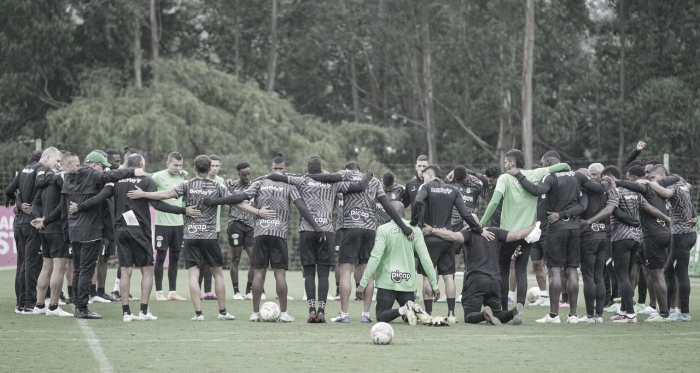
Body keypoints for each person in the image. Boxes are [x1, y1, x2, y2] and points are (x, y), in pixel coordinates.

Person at [71, 154, 200, 321]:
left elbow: (99, 198)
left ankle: (126, 313)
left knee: (125, 271)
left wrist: (79, 207)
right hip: (140, 231)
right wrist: (183, 211)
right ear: (140, 165)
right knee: (147, 271)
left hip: (121, 231)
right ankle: (144, 311)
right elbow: (158, 204)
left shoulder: (116, 181)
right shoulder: (147, 181)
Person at [203, 152, 321, 323]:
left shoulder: (260, 182)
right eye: (276, 169)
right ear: (275, 169)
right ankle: (284, 314)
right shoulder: (289, 186)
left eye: (280, 168)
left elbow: (240, 197)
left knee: (259, 273)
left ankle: (255, 313)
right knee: (279, 274)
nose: (278, 171)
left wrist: (215, 202)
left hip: (260, 233)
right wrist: (317, 227)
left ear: (282, 168)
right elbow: (302, 207)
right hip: (278, 234)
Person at [128, 155, 236, 321]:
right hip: (209, 235)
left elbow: (166, 194)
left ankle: (198, 314)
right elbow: (234, 200)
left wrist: (144, 194)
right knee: (218, 275)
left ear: (194, 168)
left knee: (193, 275)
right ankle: (222, 312)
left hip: (191, 235)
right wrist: (255, 210)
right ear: (209, 169)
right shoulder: (217, 185)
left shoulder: (188, 184)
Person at [266, 156, 370, 322]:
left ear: (308, 170)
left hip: (306, 231)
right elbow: (359, 187)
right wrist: (368, 175)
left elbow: (276, 176)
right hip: (327, 231)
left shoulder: (302, 180)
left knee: (308, 273)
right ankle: (321, 311)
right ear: (322, 170)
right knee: (323, 274)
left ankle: (311, 310)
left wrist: (266, 177)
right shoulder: (333, 183)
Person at [308, 162, 414, 323]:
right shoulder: (374, 181)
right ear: (359, 169)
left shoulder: (345, 177)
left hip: (350, 227)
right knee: (368, 272)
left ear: (347, 170)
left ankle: (344, 314)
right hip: (370, 230)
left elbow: (328, 183)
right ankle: (366, 314)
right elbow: (388, 207)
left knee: (345, 270)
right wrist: (404, 227)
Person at [512, 150, 610, 323]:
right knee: (572, 270)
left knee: (555, 270)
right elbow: (599, 189)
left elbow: (535, 190)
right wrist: (608, 179)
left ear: (550, 162)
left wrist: (519, 175)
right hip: (574, 229)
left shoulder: (550, 178)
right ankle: (573, 315)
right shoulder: (578, 176)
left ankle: (554, 315)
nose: (543, 167)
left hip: (556, 229)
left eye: (543, 164)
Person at [479, 149, 571, 310]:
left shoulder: (505, 178)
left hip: (507, 234)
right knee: (521, 270)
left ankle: (503, 308)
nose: (505, 164)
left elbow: (494, 202)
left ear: (512, 163)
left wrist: (482, 222)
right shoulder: (535, 174)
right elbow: (565, 166)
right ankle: (520, 306)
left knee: (504, 269)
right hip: (527, 233)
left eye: (506, 161)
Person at [581, 165, 671, 324]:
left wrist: (589, 221)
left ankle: (630, 314)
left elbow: (609, 210)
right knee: (627, 276)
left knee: (621, 276)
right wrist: (667, 219)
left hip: (621, 238)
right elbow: (651, 209)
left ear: (609, 177)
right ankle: (624, 310)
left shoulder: (615, 192)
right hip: (637, 238)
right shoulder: (636, 193)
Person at [62, 151, 144, 319]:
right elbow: (114, 175)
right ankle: (82, 307)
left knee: (78, 269)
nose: (103, 171)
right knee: (86, 269)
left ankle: (78, 303)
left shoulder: (70, 176)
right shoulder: (92, 174)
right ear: (95, 165)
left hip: (74, 228)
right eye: (102, 167)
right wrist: (134, 171)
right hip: (90, 228)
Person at [410, 165, 493, 324]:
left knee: (427, 277)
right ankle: (452, 314)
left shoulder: (426, 187)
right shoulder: (453, 190)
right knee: (449, 278)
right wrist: (478, 229)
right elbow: (466, 213)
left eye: (424, 175)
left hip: (429, 238)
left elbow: (417, 201)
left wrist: (415, 222)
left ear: (430, 175)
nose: (423, 178)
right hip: (447, 239)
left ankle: (428, 315)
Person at [424, 221, 538, 325]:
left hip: (476, 281)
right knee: (497, 314)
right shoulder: (495, 231)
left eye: (466, 223)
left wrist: (432, 230)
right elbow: (517, 235)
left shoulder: (467, 233)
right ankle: (514, 312)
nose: (466, 226)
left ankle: (484, 315)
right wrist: (533, 227)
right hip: (495, 281)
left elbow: (452, 236)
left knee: (469, 316)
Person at [614, 165, 678, 322]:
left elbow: (637, 189)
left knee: (657, 275)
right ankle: (626, 309)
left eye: (631, 179)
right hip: (662, 232)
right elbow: (674, 176)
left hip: (653, 234)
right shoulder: (660, 186)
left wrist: (616, 182)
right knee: (649, 272)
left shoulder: (645, 188)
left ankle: (663, 313)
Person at [357, 201, 437, 325]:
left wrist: (363, 283)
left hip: (387, 282)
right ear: (404, 214)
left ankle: (404, 309)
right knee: (407, 318)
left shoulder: (383, 229)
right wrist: (435, 285)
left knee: (382, 316)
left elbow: (375, 257)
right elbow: (425, 259)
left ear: (389, 214)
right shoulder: (415, 229)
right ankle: (411, 309)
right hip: (407, 283)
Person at [642, 164, 698, 321]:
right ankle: (671, 309)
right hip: (683, 234)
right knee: (668, 271)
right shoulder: (681, 184)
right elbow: (688, 191)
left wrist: (647, 183)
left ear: (662, 176)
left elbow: (667, 194)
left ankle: (684, 312)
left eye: (654, 178)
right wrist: (694, 216)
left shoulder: (671, 185)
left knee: (681, 273)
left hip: (682, 235)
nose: (652, 181)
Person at [12, 147, 62, 314]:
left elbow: (10, 190)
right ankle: (29, 304)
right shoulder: (41, 170)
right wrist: (53, 178)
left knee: (22, 264)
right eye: (57, 161)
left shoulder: (25, 170)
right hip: (32, 223)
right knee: (33, 264)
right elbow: (40, 185)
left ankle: (20, 304)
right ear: (46, 157)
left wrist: (18, 205)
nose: (57, 165)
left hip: (19, 222)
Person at [29, 151, 74, 316]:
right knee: (59, 268)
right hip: (57, 230)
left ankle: (39, 305)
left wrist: (39, 218)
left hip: (45, 230)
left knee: (46, 267)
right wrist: (45, 220)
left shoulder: (47, 180)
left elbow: (35, 203)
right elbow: (63, 206)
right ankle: (54, 306)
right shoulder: (60, 180)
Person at [151, 152, 189, 302]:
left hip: (178, 224)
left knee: (175, 258)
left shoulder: (183, 177)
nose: (178, 168)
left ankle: (172, 291)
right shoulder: (157, 177)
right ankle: (159, 291)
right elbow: (153, 198)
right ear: (167, 164)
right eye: (175, 165)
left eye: (180, 165)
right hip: (162, 224)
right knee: (160, 257)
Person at [226, 162, 256, 300]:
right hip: (235, 225)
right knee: (236, 258)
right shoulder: (232, 186)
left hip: (251, 226)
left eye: (249, 173)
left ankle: (248, 291)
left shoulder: (254, 185)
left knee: (254, 260)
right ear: (238, 174)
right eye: (244, 175)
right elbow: (227, 203)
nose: (247, 177)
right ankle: (236, 291)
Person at [199, 154, 226, 301]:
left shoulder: (221, 182)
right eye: (212, 166)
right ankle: (196, 289)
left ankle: (208, 292)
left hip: (215, 228)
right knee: (199, 261)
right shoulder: (199, 181)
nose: (214, 168)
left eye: (217, 166)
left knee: (211, 261)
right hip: (199, 227)